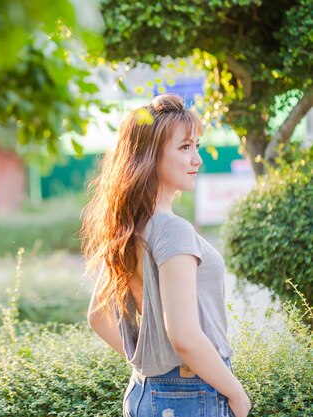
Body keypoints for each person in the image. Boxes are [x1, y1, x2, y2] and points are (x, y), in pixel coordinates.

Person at [80, 94, 251, 417]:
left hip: (146, 393)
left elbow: (98, 318)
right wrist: (237, 394)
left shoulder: (129, 227)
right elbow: (185, 336)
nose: (197, 159)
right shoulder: (172, 230)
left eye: (197, 146)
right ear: (150, 155)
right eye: (185, 147)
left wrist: (151, 365)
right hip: (192, 395)